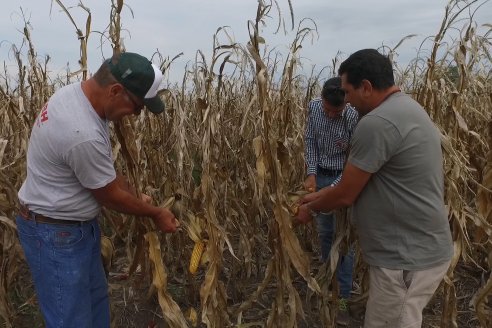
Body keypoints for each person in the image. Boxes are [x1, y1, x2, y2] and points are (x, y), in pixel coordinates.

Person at [15, 52, 179, 328]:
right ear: (116, 91)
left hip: (72, 229)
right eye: (137, 106)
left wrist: (135, 195)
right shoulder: (81, 132)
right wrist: (156, 213)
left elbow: (106, 176)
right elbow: (109, 195)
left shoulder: (76, 97)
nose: (137, 115)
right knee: (73, 320)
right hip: (56, 236)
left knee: (94, 308)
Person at [297, 49, 453, 327]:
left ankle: (341, 297)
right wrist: (318, 191)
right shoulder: (406, 107)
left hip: (405, 260)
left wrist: (310, 206)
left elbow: (345, 192)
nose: (346, 101)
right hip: (411, 251)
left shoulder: (376, 123)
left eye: (347, 92)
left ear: (366, 87)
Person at [304, 77, 358, 325]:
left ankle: (343, 299)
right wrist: (311, 173)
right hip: (322, 174)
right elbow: (310, 142)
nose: (330, 114)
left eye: (335, 111)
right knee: (326, 235)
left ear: (345, 105)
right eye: (327, 109)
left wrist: (329, 192)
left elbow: (354, 161)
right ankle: (328, 285)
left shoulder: (353, 115)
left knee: (344, 242)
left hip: (345, 179)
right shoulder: (314, 107)